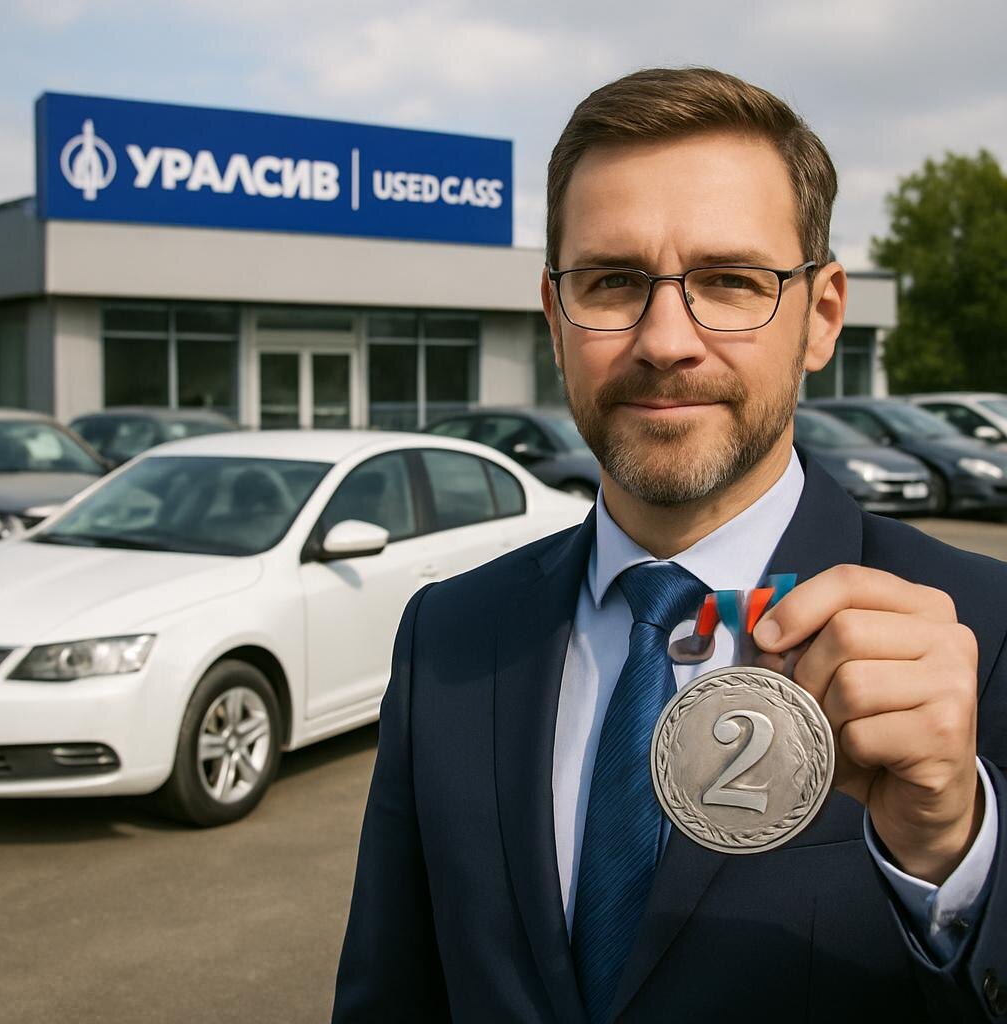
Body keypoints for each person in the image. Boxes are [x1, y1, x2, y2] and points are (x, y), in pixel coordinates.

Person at [332, 68, 1006, 1023]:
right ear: (554, 317)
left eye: (729, 282)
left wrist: (953, 857)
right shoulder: (450, 635)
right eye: (612, 281)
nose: (664, 340)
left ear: (822, 318)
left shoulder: (979, 637)